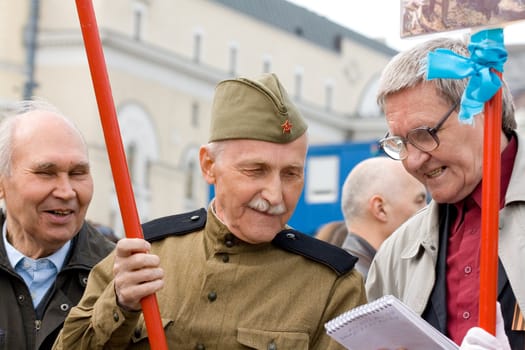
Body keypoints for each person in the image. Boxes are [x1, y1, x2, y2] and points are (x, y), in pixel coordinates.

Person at [53, 73, 367, 349]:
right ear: (208, 165)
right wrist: (119, 302)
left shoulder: (333, 286)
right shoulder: (145, 253)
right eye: (255, 170)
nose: (275, 195)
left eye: (291, 174)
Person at [365, 35, 524, 349]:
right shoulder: (397, 253)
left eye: (424, 135)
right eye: (399, 143)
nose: (412, 160)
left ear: (481, 110)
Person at [0, 100, 115, 350]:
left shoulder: (118, 278)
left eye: (78, 173)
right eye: (46, 173)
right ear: (2, 183)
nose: (66, 191)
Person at [340, 156, 427, 280]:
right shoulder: (365, 286)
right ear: (380, 209)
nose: (427, 210)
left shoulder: (349, 276)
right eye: (419, 201)